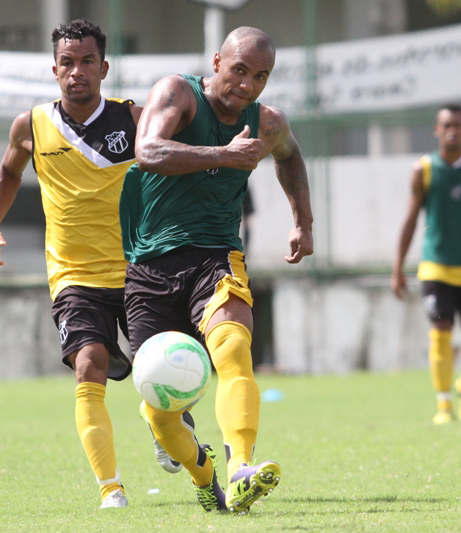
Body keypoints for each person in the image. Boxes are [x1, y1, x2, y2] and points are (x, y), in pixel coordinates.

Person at [0, 19, 189, 510]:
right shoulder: (30, 125)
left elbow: (172, 162)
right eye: (67, 63)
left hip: (141, 269)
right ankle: (111, 489)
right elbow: (8, 170)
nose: (77, 72)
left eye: (87, 62)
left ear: (104, 67)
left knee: (168, 371)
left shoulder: (134, 119)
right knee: (88, 366)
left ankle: (168, 424)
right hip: (74, 276)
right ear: (54, 70)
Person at [120, 26, 314, 514]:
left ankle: (241, 468)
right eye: (240, 70)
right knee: (160, 407)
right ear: (217, 61)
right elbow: (148, 151)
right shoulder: (177, 93)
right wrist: (222, 155)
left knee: (233, 349)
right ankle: (204, 474)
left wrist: (303, 223)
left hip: (216, 255)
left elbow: (289, 157)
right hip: (150, 268)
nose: (248, 84)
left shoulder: (267, 123)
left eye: (261, 76)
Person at [392, 103, 461, 425]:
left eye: (457, 124)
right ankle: (444, 406)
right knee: (440, 334)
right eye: (446, 125)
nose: (452, 130)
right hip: (435, 268)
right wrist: (397, 266)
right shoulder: (423, 169)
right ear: (436, 130)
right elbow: (411, 220)